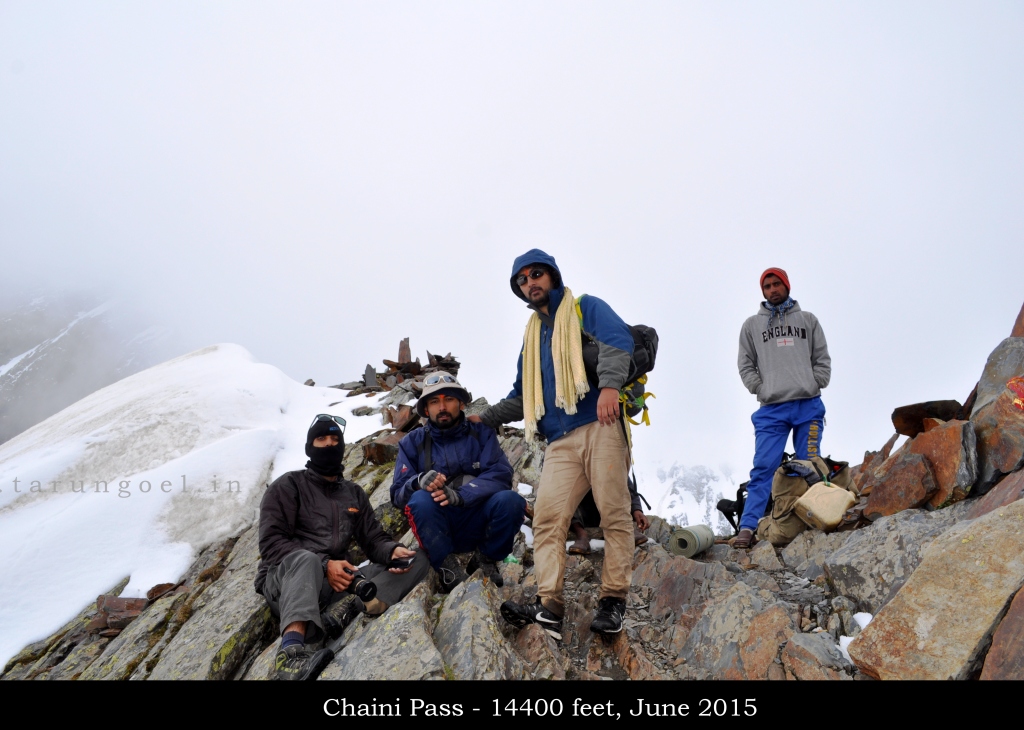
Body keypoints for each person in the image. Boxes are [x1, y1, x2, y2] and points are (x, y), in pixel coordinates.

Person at [469, 249, 635, 640]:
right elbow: (522, 395)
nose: (531, 283)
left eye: (536, 274)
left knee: (613, 514)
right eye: (522, 280)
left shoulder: (583, 308)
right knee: (547, 520)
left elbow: (618, 340)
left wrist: (610, 387)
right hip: (559, 441)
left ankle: (613, 601)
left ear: (553, 276)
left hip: (601, 423)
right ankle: (549, 606)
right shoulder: (533, 337)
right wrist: (486, 418)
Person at [255, 414, 429, 680]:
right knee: (307, 560)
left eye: (335, 439)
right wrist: (325, 565)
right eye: (321, 438)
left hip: (336, 584)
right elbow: (271, 543)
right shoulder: (288, 486)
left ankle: (350, 607)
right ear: (309, 446)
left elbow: (372, 540)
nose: (328, 444)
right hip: (289, 581)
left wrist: (392, 551)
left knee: (419, 559)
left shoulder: (353, 493)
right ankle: (289, 654)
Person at [391, 372, 525, 593]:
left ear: (461, 403)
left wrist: (464, 494)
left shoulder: (481, 433)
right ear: (425, 409)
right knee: (420, 500)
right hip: (438, 527)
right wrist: (417, 482)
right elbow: (397, 494)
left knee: (511, 501)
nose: (442, 407)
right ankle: (446, 566)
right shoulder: (411, 443)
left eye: (449, 399)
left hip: (477, 519)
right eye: (434, 401)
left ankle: (485, 558)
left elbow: (500, 474)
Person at [735, 267, 831, 549]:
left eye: (777, 284)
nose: (773, 290)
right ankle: (748, 527)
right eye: (767, 286)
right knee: (763, 468)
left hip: (808, 404)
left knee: (810, 464)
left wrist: (817, 382)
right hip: (771, 409)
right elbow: (745, 364)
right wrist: (760, 388)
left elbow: (821, 356)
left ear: (787, 286)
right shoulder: (752, 325)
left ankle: (821, 517)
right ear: (762, 291)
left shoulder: (808, 320)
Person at [568, 476, 650, 555]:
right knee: (563, 490)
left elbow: (626, 483)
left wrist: (636, 509)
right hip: (580, 515)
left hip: (608, 511)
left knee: (613, 473)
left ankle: (623, 527)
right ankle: (582, 536)